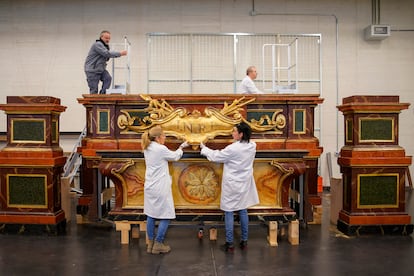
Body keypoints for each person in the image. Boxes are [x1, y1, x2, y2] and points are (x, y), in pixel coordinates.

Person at [200, 122, 259, 252]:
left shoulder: (233, 148)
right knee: (243, 210)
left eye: (234, 131)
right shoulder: (252, 145)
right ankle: (244, 241)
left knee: (229, 211)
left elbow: (217, 156)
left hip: (232, 184)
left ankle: (230, 243)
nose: (232, 133)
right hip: (244, 182)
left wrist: (203, 148)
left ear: (241, 134)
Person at [142, 126, 189, 254]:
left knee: (151, 214)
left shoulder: (147, 147)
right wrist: (181, 147)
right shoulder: (160, 149)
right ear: (158, 138)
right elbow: (174, 157)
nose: (165, 138)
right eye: (163, 136)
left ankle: (150, 244)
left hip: (150, 185)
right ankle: (158, 243)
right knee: (166, 214)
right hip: (160, 186)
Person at [84, 30, 127, 94]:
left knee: (108, 78)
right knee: (94, 89)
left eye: (109, 38)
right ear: (101, 37)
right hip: (92, 70)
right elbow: (106, 53)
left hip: (100, 69)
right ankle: (94, 103)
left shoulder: (105, 46)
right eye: (106, 38)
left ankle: (102, 95)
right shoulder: (97, 45)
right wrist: (120, 53)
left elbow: (107, 57)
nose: (108, 40)